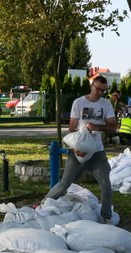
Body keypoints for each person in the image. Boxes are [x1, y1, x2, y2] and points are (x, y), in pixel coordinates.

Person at [45, 75, 117, 223]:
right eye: (97, 89)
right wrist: (75, 148)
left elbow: (113, 127)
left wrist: (96, 126)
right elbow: (72, 129)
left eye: (103, 90)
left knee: (106, 185)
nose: (99, 93)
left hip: (97, 152)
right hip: (78, 152)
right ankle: (43, 205)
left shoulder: (106, 104)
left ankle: (106, 217)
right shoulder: (78, 103)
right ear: (91, 86)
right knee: (64, 185)